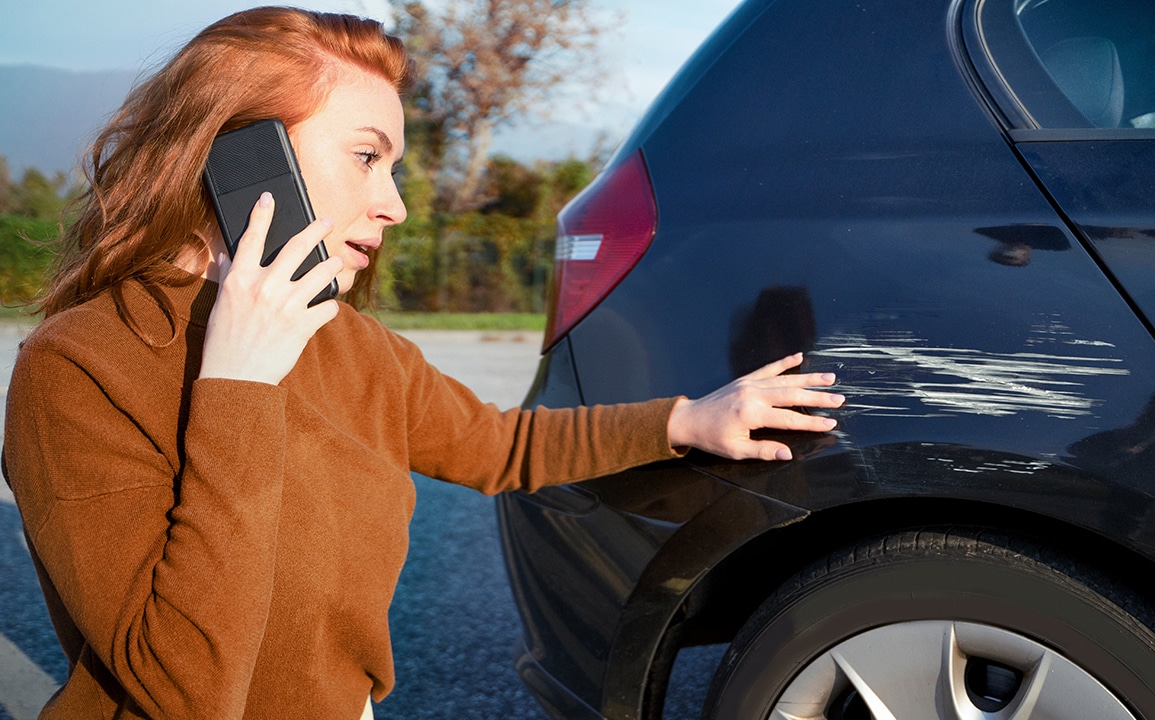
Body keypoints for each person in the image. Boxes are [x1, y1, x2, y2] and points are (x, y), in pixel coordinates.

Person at [1, 7, 844, 719]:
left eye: (394, 167)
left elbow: (502, 447)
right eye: (367, 157)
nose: (395, 204)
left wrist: (688, 419)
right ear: (238, 157)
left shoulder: (355, 346)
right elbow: (182, 688)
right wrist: (237, 383)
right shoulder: (79, 367)